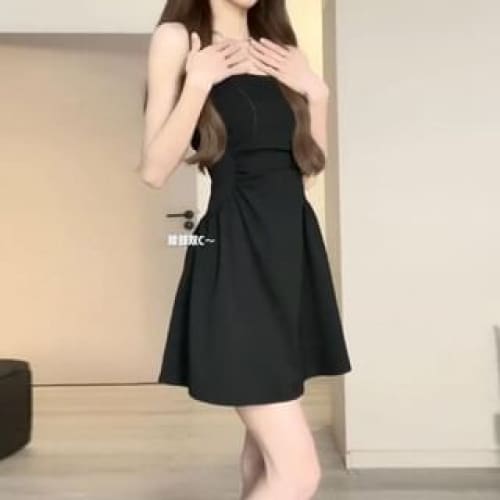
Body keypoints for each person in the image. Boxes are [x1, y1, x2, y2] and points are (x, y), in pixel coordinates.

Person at [138, 1, 352, 498]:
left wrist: (317, 93)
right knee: (298, 472)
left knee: (264, 456)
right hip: (237, 254)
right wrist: (198, 83)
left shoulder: (279, 49)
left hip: (292, 254)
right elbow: (154, 170)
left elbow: (308, 171)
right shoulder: (178, 39)